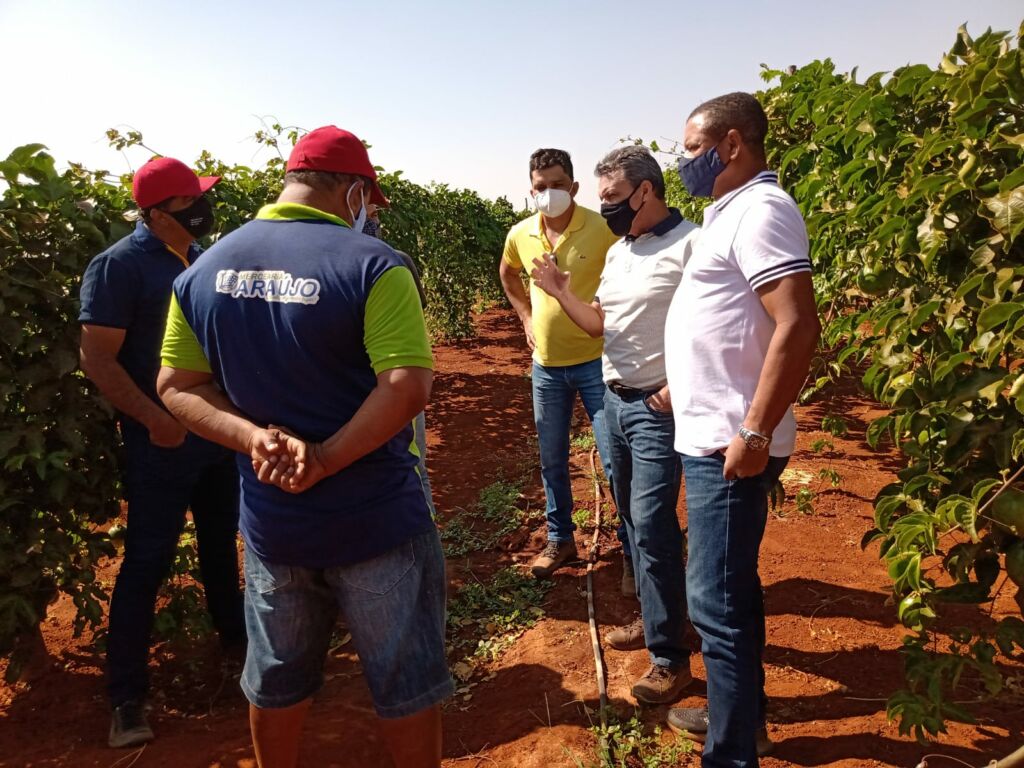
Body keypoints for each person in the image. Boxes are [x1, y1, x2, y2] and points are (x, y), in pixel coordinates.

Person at [156, 125, 452, 768]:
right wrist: (323, 459)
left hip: (272, 522)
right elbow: (405, 388)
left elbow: (177, 385)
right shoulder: (374, 264)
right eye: (368, 200)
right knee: (406, 683)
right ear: (353, 190)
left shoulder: (204, 270)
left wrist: (253, 438)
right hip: (375, 521)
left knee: (276, 676)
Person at [663, 93, 821, 765]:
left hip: (729, 445)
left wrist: (754, 432)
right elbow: (733, 321)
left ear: (731, 145)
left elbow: (796, 323)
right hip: (714, 430)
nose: (683, 159)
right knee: (733, 587)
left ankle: (730, 753)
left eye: (693, 146)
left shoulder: (762, 212)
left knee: (714, 602)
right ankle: (742, 718)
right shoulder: (728, 214)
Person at [78, 157, 245, 748]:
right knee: (146, 561)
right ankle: (126, 697)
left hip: (212, 436)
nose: (202, 209)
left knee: (222, 546)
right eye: (189, 203)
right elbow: (96, 358)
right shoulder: (118, 267)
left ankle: (239, 653)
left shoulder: (200, 260)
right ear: (155, 213)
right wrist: (154, 419)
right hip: (160, 444)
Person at [531, 145, 697, 705]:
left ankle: (670, 660)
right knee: (632, 516)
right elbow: (600, 324)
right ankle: (663, 622)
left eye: (612, 198)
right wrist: (558, 292)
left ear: (645, 191)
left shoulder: (691, 245)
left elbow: (721, 325)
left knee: (650, 523)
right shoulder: (623, 250)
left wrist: (677, 389)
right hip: (616, 399)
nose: (607, 210)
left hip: (656, 408)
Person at [499, 148, 625, 581]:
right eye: (540, 187)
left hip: (598, 363)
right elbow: (507, 273)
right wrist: (525, 317)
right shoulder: (520, 234)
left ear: (573, 187)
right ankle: (561, 539)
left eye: (556, 185)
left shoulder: (603, 228)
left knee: (614, 460)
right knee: (553, 460)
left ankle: (631, 552)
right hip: (546, 367)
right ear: (530, 191)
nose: (548, 193)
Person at [362, 203, 436, 517]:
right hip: (377, 386)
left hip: (390, 384)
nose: (374, 224)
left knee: (410, 462)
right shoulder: (392, 263)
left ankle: (423, 532)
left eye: (377, 218)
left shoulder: (397, 261)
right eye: (369, 215)